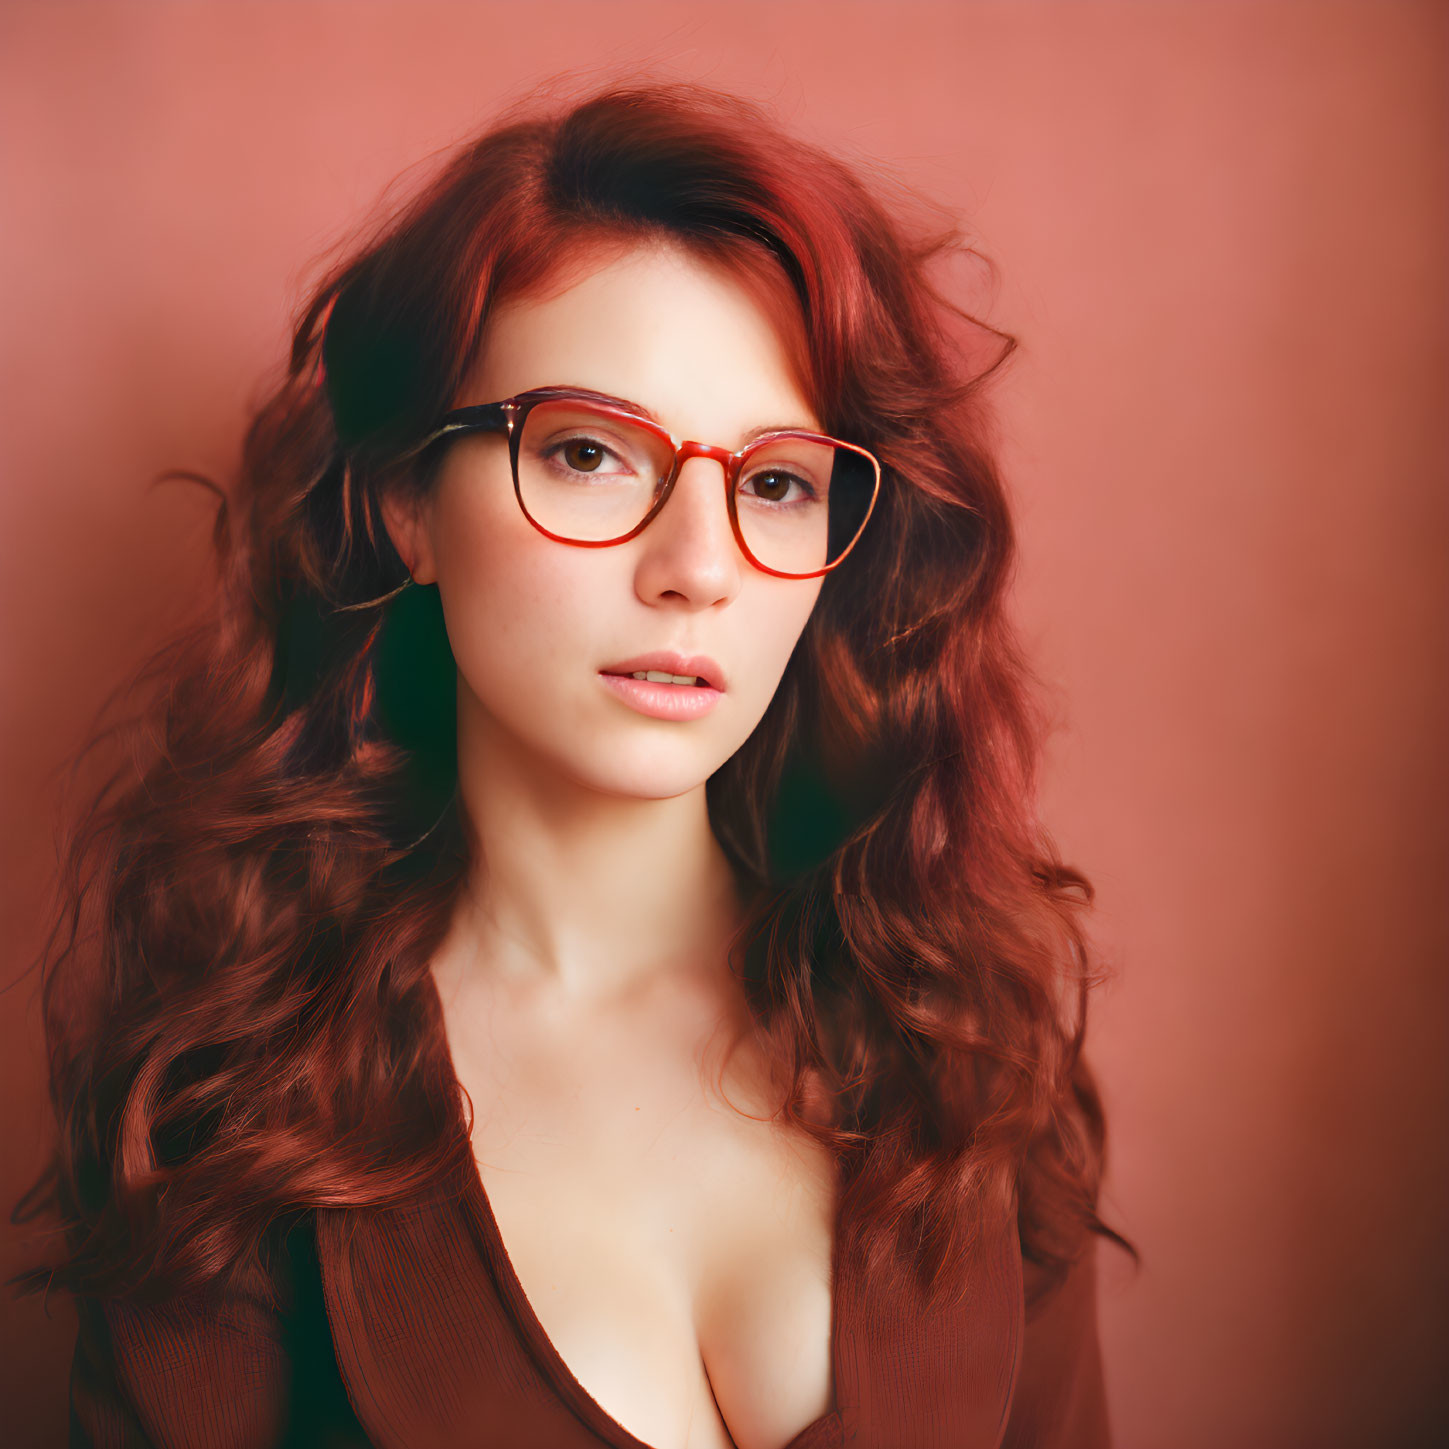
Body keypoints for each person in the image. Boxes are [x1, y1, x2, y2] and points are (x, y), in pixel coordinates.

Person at [12, 78, 1131, 1448]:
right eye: (593, 453)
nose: (698, 568)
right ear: (407, 503)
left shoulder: (965, 1038)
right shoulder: (237, 1101)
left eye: (775, 479)